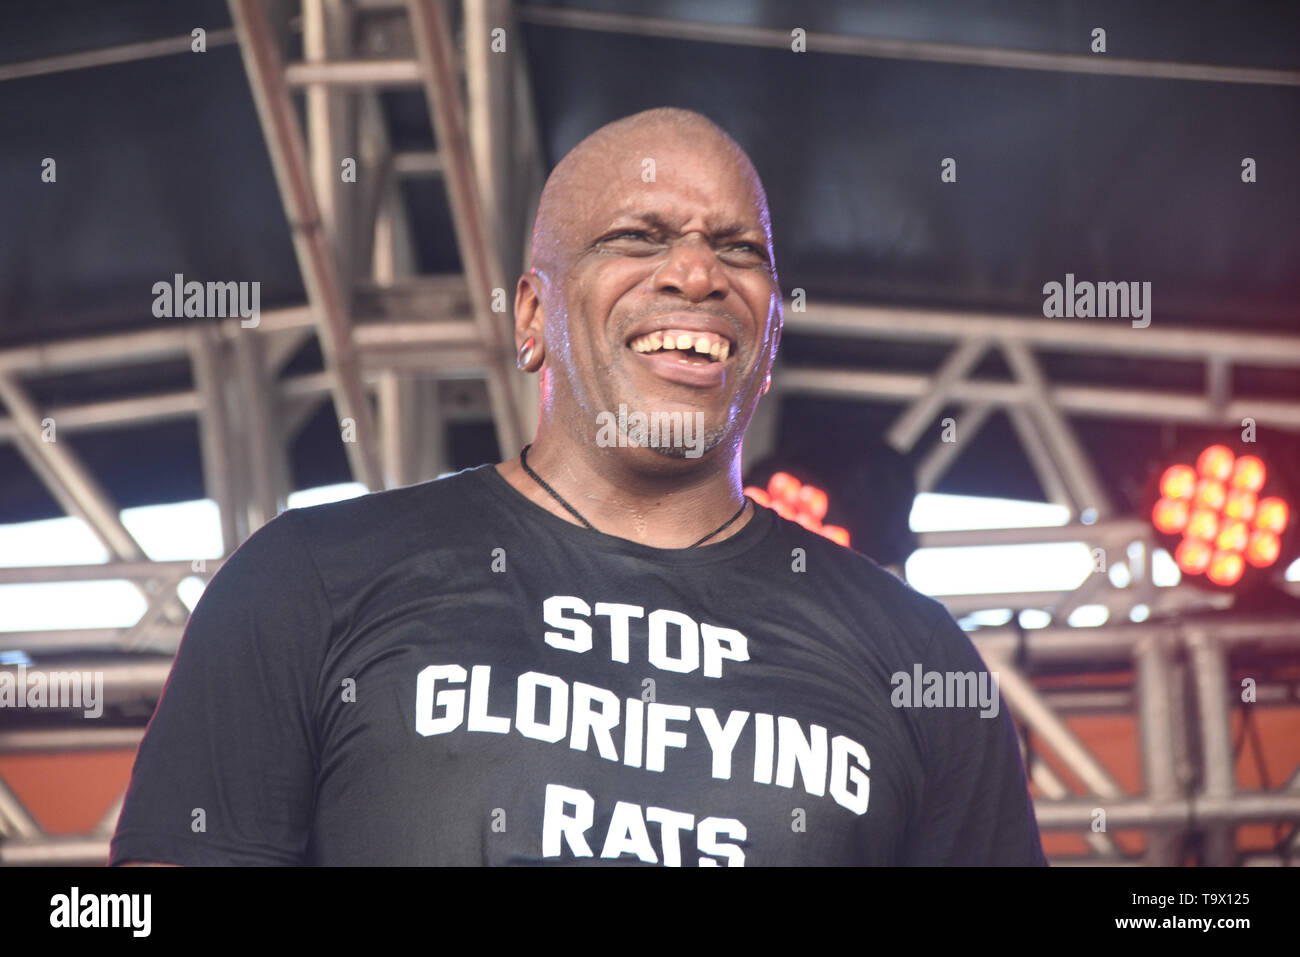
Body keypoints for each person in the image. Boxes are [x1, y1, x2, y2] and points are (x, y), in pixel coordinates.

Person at [110, 107, 1046, 866]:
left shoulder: (918, 659)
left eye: (739, 249)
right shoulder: (310, 581)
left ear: (768, 342)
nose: (695, 272)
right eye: (638, 236)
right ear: (532, 316)